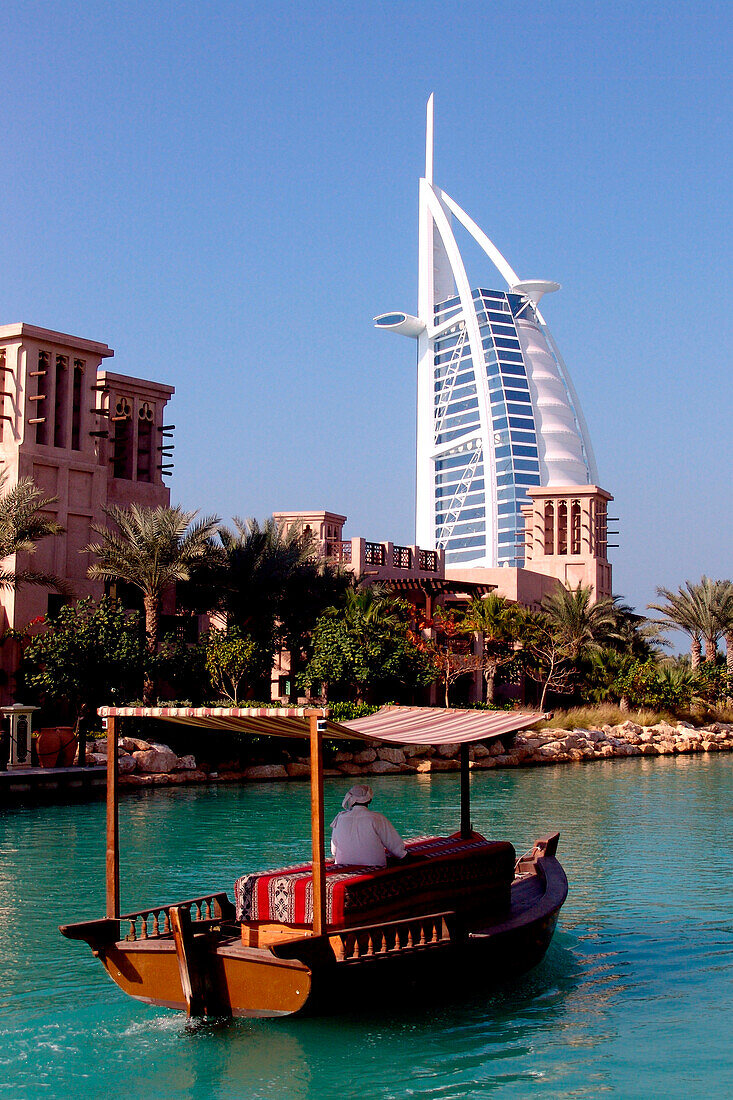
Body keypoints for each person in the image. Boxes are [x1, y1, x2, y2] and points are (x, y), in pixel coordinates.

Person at [330, 785, 407, 868]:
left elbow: (334, 851)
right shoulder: (377, 818)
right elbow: (397, 848)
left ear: (350, 799)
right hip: (375, 867)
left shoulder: (340, 818)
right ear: (369, 800)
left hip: (343, 866)